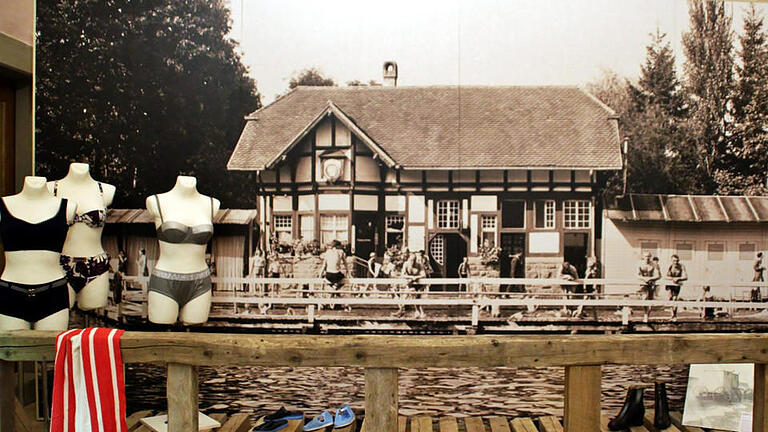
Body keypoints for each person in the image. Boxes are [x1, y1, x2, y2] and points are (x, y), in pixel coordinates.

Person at [638, 252, 661, 323]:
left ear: (650, 257)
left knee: (650, 300)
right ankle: (645, 313)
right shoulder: (640, 264)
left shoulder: (654, 265)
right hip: (643, 284)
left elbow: (658, 276)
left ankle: (647, 315)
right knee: (644, 299)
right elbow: (636, 275)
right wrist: (644, 279)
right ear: (643, 257)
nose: (647, 258)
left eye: (648, 256)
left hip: (651, 284)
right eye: (645, 256)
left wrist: (650, 279)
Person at [401, 252, 426, 317]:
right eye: (411, 260)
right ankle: (419, 312)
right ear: (408, 259)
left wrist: (416, 277)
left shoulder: (419, 265)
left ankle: (419, 312)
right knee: (413, 293)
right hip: (411, 283)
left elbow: (423, 274)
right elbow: (402, 275)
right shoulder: (406, 264)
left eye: (414, 260)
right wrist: (411, 277)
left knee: (417, 296)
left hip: (419, 284)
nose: (412, 262)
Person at [665, 254, 688, 321]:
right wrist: (672, 278)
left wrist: (678, 279)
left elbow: (686, 277)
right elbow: (665, 276)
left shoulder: (681, 266)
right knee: (670, 298)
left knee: (675, 298)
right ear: (671, 261)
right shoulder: (670, 266)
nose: (675, 262)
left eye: (677, 261)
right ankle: (671, 315)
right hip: (670, 284)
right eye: (674, 261)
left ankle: (674, 315)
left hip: (677, 284)